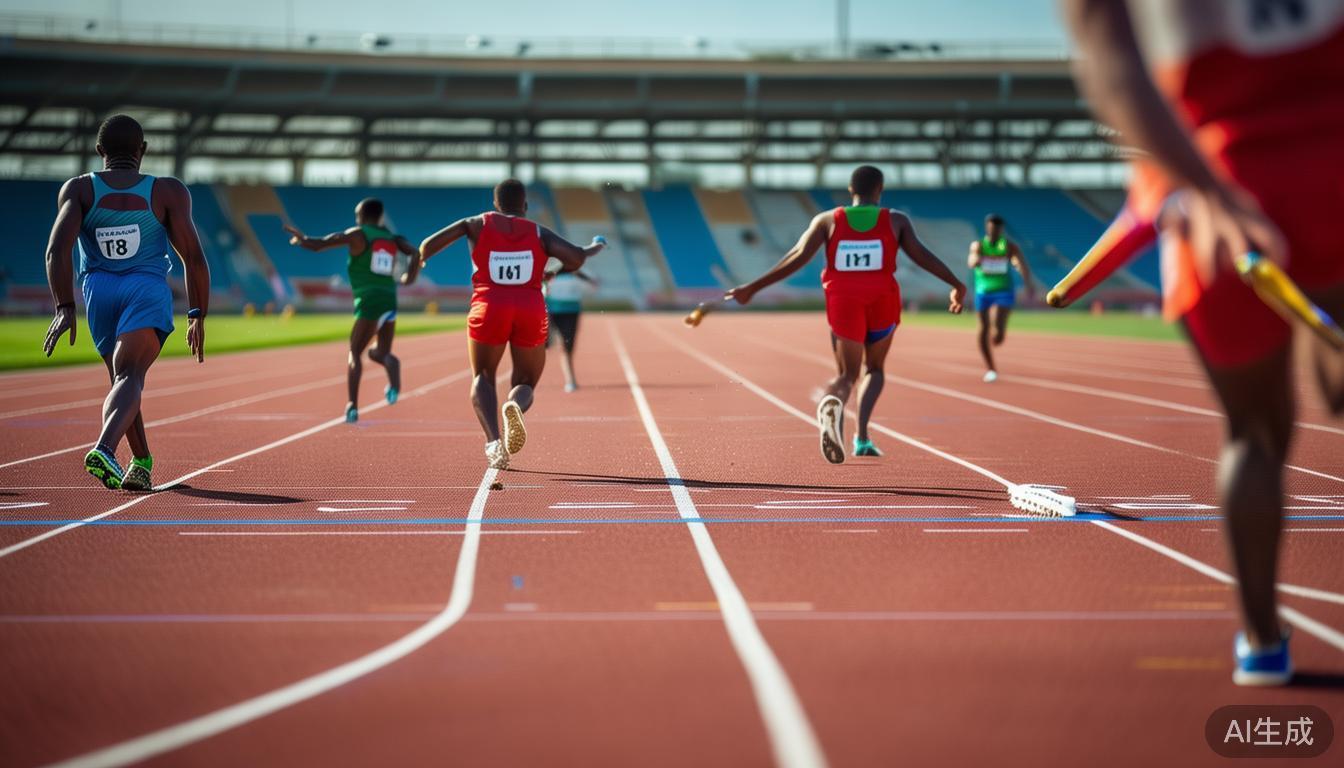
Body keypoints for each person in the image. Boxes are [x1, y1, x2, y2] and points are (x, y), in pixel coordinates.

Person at [1063, 0, 1344, 685]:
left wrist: (1211, 192)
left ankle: (1263, 640)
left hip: (1219, 182)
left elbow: (1111, 68)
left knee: (1252, 433)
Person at [727, 165, 967, 462]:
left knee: (846, 374)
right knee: (875, 370)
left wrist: (753, 287)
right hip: (882, 300)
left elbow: (797, 257)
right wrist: (955, 283)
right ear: (880, 190)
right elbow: (922, 256)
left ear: (851, 191)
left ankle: (833, 400)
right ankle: (862, 436)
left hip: (843, 301)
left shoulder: (828, 220)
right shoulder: (895, 221)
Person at [41, 114, 210, 492]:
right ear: (143, 151)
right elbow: (194, 258)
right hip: (145, 288)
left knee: (122, 379)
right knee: (130, 376)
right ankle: (104, 447)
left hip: (98, 291)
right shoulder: (167, 191)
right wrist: (197, 312)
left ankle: (142, 463)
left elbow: (57, 249)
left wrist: (64, 306)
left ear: (100, 151)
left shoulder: (79, 190)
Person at [419, 180, 605, 469]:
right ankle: (515, 405)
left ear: (495, 204)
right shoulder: (538, 231)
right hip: (529, 309)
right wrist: (591, 248)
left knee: (483, 375)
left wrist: (417, 263)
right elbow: (576, 258)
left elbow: (427, 246)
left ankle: (494, 444)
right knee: (526, 381)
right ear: (525, 207)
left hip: (488, 307)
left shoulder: (476, 223)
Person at [284, 199, 420, 423]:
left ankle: (352, 406)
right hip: (389, 298)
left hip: (368, 299)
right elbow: (415, 254)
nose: (356, 220)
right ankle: (393, 384)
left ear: (364, 216)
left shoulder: (358, 234)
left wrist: (302, 240)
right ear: (380, 217)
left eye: (358, 216)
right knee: (379, 352)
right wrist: (408, 278)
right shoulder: (393, 238)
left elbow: (322, 244)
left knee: (355, 352)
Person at [969, 213, 1035, 382]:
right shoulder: (978, 245)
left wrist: (1028, 283)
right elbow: (971, 260)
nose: (994, 232)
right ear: (987, 228)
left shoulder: (1009, 246)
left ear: (1001, 230)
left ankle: (999, 332)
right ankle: (990, 368)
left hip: (1004, 291)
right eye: (991, 229)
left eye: (997, 230)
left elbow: (1020, 263)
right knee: (983, 328)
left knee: (997, 332)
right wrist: (975, 260)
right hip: (983, 292)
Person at [544, 267, 598, 392]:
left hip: (570, 311)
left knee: (567, 345)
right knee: (544, 345)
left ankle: (570, 379)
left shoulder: (578, 271)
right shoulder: (549, 269)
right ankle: (528, 378)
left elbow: (593, 286)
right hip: (549, 311)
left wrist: (582, 276)